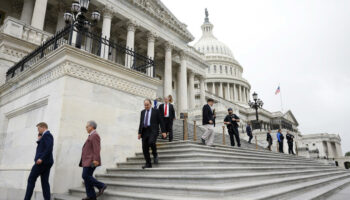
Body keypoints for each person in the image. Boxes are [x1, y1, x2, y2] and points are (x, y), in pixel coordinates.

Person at [24, 122, 54, 200]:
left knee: (31, 179)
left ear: (43, 127)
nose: (38, 131)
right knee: (45, 182)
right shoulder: (44, 136)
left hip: (42, 162)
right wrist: (39, 140)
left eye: (38, 129)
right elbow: (44, 147)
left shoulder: (47, 135)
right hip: (46, 162)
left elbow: (49, 148)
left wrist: (41, 158)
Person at [80, 121, 107, 200]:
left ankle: (101, 185)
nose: (86, 128)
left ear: (91, 127)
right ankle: (91, 196)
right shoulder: (91, 135)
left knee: (85, 176)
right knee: (87, 177)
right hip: (87, 161)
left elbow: (97, 149)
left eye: (87, 127)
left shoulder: (95, 135)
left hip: (91, 161)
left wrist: (95, 160)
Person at [138, 99, 166, 169]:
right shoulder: (142, 112)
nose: (146, 106)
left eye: (147, 105)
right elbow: (141, 123)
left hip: (153, 130)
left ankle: (155, 154)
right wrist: (139, 133)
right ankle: (148, 163)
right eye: (145, 105)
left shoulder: (156, 111)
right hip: (144, 131)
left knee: (151, 142)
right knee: (144, 148)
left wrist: (163, 131)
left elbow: (161, 121)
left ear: (151, 104)